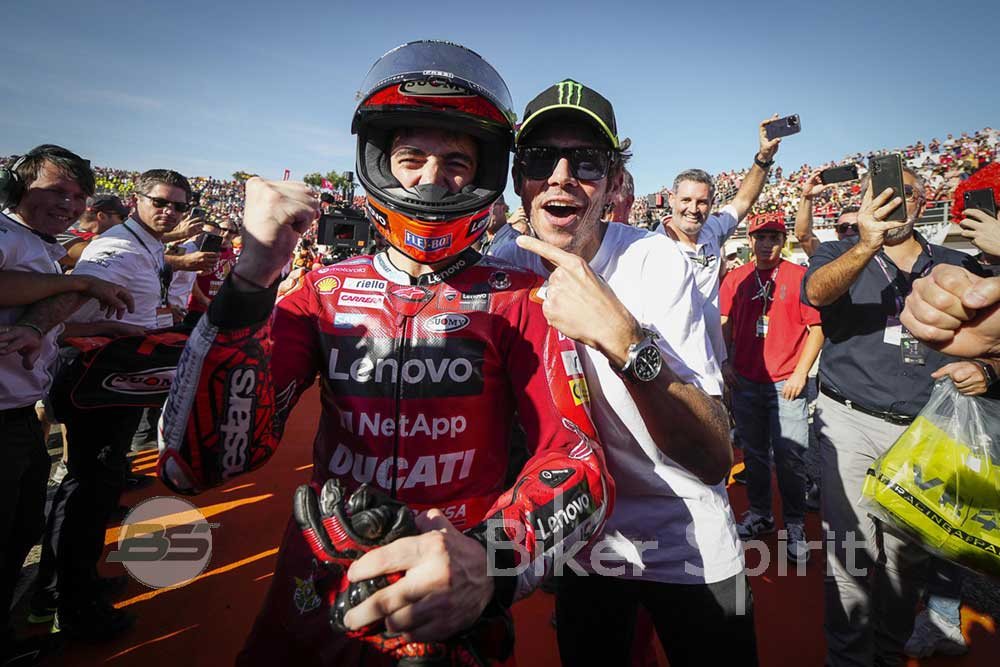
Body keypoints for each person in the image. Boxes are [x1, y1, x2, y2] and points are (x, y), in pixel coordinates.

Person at [158, 42, 611, 667]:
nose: (431, 177)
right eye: (411, 158)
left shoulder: (524, 297)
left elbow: (579, 459)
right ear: (379, 164)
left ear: (483, 173)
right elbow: (200, 463)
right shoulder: (322, 292)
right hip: (320, 569)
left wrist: (491, 561)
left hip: (451, 578)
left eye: (456, 161)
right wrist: (252, 277)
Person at [491, 79, 754, 666]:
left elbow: (714, 455)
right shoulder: (504, 268)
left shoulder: (654, 261)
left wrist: (626, 342)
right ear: (518, 179)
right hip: (585, 544)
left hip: (689, 543)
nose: (561, 177)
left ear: (612, 184)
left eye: (586, 162)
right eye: (540, 159)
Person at [802, 163, 991, 665]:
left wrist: (984, 370)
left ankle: (887, 654)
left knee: (905, 565)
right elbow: (817, 293)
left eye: (905, 191)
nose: (894, 200)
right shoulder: (840, 251)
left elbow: (992, 343)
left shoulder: (955, 263)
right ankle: (848, 658)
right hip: (849, 421)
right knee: (850, 557)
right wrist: (867, 244)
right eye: (881, 191)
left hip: (926, 433)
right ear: (864, 200)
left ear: (923, 200)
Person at [20, 169, 194, 640]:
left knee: (100, 485)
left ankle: (73, 585)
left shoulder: (146, 243)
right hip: (95, 381)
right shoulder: (117, 247)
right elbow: (70, 300)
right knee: (87, 489)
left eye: (179, 205)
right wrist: (39, 328)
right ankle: (66, 601)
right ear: (137, 199)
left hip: (118, 379)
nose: (170, 212)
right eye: (161, 202)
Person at [0, 145, 133, 661]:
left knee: (21, 530)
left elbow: (39, 318)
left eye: (78, 196)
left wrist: (96, 325)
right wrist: (80, 280)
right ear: (19, 186)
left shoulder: (40, 244)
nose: (69, 203)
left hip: (18, 414)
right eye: (57, 190)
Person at [719, 217, 824, 561]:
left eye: (774, 237)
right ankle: (761, 513)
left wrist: (801, 374)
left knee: (790, 457)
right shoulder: (736, 277)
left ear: (783, 241)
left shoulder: (799, 276)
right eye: (760, 237)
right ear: (750, 240)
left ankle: (794, 523)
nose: (767, 244)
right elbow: (725, 322)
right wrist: (725, 361)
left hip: (786, 383)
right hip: (746, 380)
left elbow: (817, 329)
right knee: (754, 454)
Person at [656, 120, 784, 368]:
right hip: (671, 367)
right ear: (671, 199)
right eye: (686, 200)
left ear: (712, 203)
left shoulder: (712, 230)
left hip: (712, 362)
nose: (693, 209)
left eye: (702, 202)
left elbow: (744, 200)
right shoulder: (651, 246)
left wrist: (763, 158)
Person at [794, 170, 860, 257]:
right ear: (836, 232)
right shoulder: (829, 256)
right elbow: (804, 236)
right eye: (843, 228)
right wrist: (807, 197)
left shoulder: (878, 252)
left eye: (856, 227)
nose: (849, 232)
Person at [56, 194, 129, 270]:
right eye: (121, 217)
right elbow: (74, 254)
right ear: (102, 216)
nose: (124, 222)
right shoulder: (62, 232)